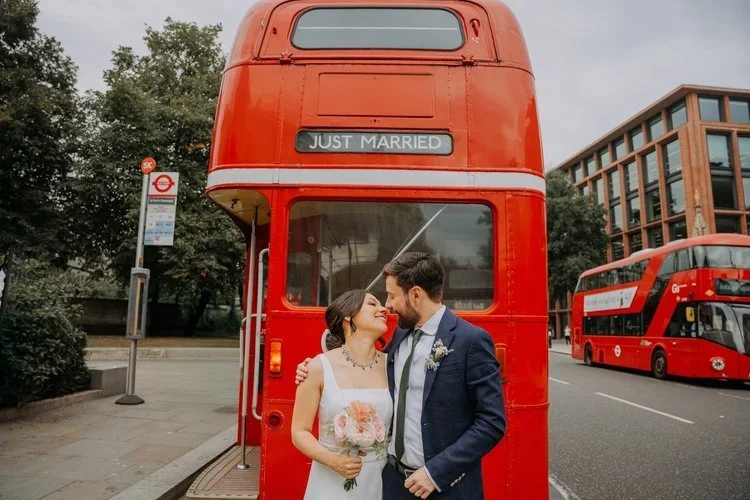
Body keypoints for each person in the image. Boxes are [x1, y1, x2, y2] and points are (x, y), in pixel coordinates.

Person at [297, 252, 506, 499]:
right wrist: (312, 367)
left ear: (415, 295)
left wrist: (435, 473)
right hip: (394, 485)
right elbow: (358, 362)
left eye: (392, 296)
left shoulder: (471, 341)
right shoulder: (400, 337)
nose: (387, 305)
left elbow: (492, 422)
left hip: (447, 488)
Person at [292, 289, 393, 500]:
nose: (384, 308)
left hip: (379, 480)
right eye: (372, 304)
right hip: (329, 479)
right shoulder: (318, 367)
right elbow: (299, 432)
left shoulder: (392, 365)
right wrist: (334, 461)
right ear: (348, 316)